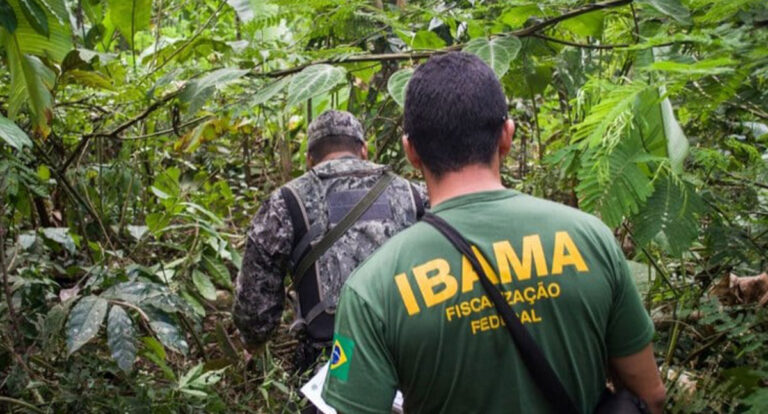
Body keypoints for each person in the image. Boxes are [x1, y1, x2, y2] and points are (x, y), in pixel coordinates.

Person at [322, 52, 666, 413]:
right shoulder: (591, 239)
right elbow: (651, 397)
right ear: (506, 135)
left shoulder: (371, 290)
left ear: (411, 151)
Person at [233, 109, 427, 371]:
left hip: (335, 361)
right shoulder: (414, 194)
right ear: (364, 150)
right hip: (411, 354)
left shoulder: (286, 202)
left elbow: (254, 303)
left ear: (309, 159)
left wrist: (254, 342)